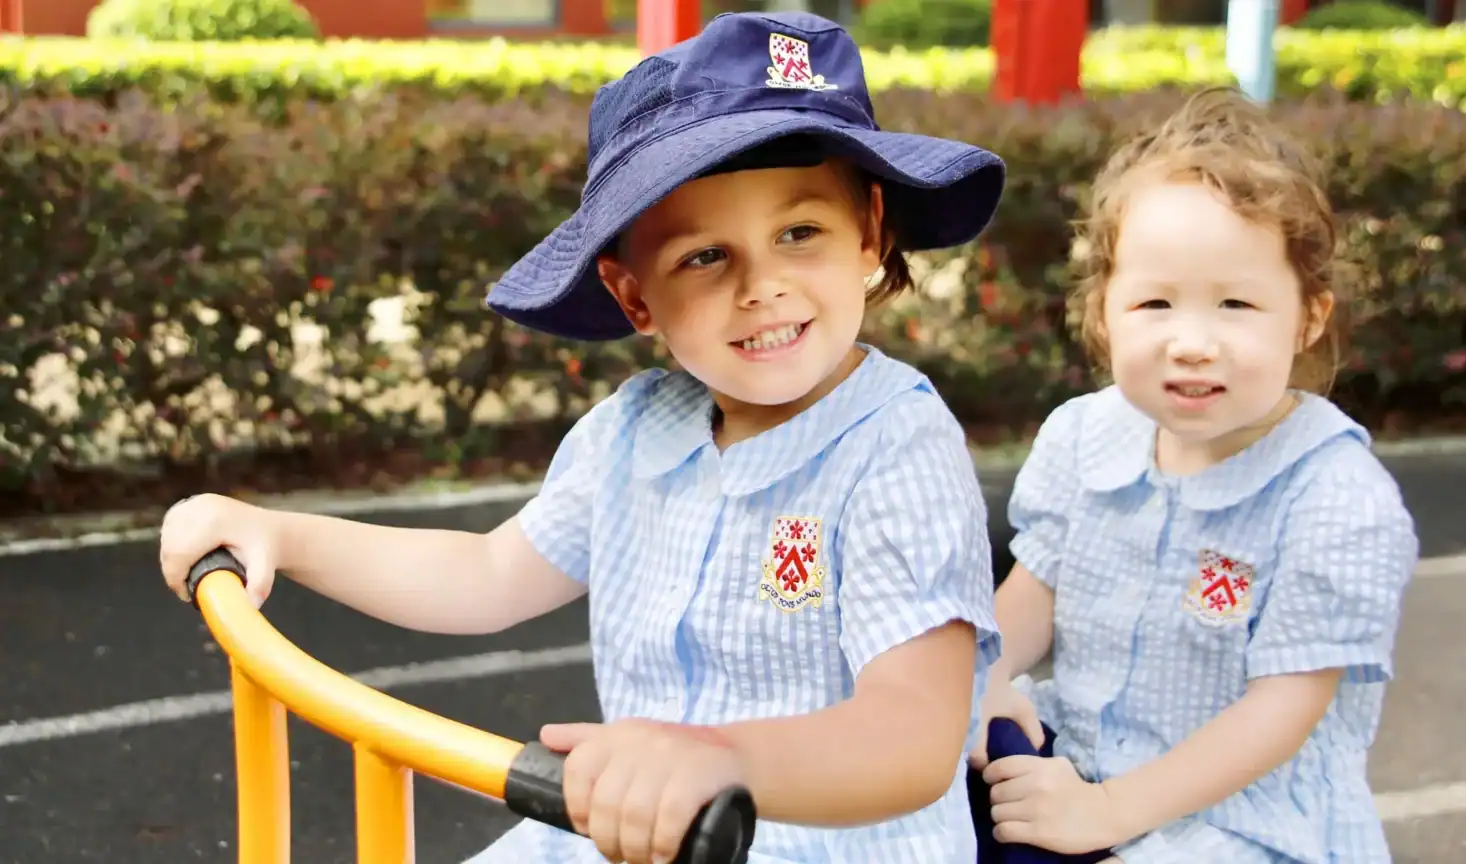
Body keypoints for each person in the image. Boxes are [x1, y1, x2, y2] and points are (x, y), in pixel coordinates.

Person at [159, 11, 1010, 864]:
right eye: (704, 257)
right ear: (633, 295)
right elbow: (485, 575)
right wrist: (280, 534)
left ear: (867, 229)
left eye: (799, 234)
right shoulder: (635, 434)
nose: (763, 286)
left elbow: (912, 732)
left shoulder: (895, 445)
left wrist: (722, 759)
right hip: (638, 835)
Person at [968, 88, 1419, 864]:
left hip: (1240, 822)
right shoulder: (1086, 436)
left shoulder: (1336, 499)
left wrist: (1110, 812)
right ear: (1104, 313)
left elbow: (1280, 714)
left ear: (1308, 316)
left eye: (1236, 303)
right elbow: (1034, 593)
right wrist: (984, 675)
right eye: (1155, 302)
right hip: (1077, 767)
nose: (1193, 342)